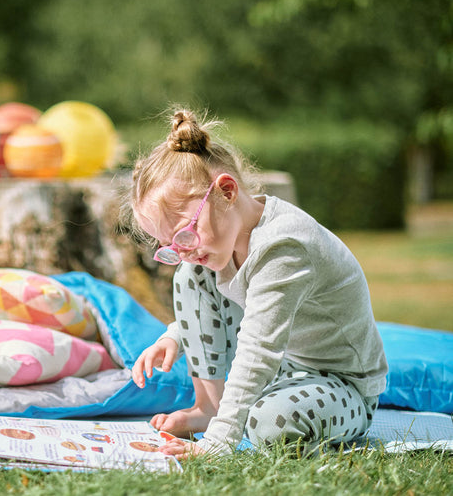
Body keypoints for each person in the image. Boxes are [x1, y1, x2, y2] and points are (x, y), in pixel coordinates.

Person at [128, 109, 388, 458]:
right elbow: (238, 306)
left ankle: (223, 421)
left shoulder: (285, 247)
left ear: (227, 191)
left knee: (269, 423)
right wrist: (177, 333)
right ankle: (208, 406)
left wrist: (219, 443)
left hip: (341, 384)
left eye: (185, 234)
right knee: (191, 275)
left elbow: (259, 349)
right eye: (171, 247)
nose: (184, 251)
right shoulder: (225, 241)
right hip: (286, 367)